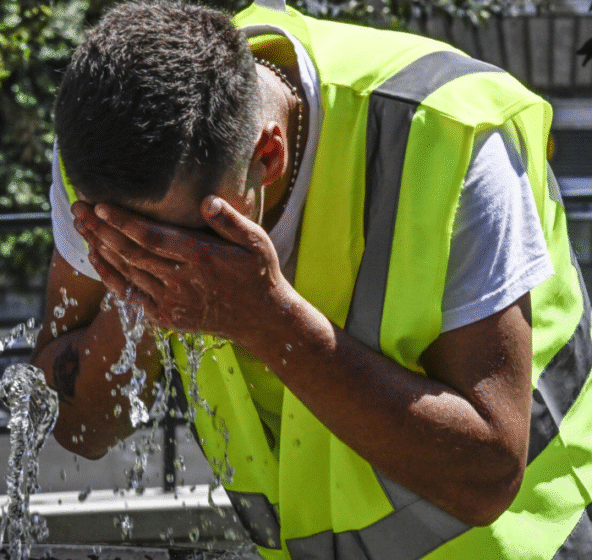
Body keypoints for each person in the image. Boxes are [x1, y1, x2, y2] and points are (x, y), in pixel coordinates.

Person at [30, 1, 592, 558]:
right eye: (128, 243)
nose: (159, 261)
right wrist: (144, 298)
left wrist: (270, 322)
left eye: (186, 243)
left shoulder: (449, 135)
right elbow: (80, 429)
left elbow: (487, 477)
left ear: (269, 156)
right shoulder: (102, 156)